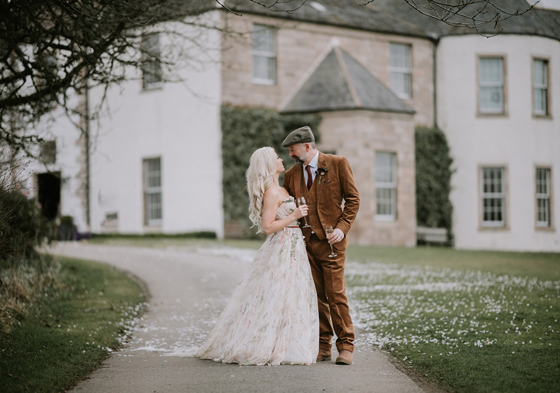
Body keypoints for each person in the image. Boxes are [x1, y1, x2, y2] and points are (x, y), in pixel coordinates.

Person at [195, 147, 319, 366]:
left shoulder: (282, 189)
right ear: (269, 165)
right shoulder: (271, 193)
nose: (281, 159)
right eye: (277, 158)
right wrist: (294, 215)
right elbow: (268, 227)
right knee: (276, 293)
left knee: (292, 294)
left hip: (294, 246)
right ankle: (265, 343)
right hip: (280, 246)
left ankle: (288, 343)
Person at [282, 126, 360, 365]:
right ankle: (322, 345)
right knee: (315, 296)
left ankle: (346, 346)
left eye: (293, 150)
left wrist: (342, 228)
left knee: (335, 294)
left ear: (307, 146)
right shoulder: (290, 175)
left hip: (332, 243)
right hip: (306, 245)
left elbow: (353, 200)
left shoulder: (338, 164)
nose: (291, 156)